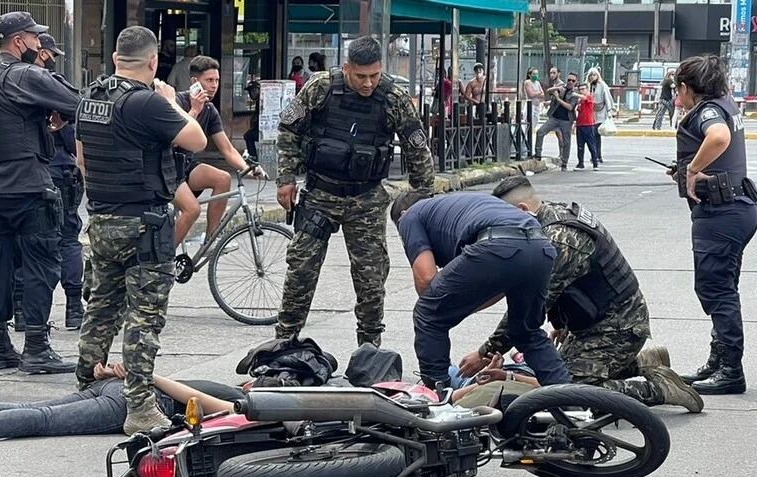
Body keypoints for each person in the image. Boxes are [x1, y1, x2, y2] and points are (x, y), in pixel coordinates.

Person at [458, 177, 703, 412]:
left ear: (522, 209)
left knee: (572, 395)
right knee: (554, 375)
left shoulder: (560, 240)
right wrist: (562, 321)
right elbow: (567, 286)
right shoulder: (550, 216)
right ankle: (642, 362)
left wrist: (485, 353)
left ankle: (659, 389)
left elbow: (528, 309)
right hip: (598, 322)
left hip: (618, 327)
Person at [75, 26, 207, 434]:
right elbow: (198, 140)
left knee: (101, 306)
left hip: (101, 220)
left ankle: (85, 382)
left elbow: (81, 160)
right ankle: (139, 407)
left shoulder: (91, 99)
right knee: (143, 318)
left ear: (116, 59)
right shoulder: (148, 102)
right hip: (144, 224)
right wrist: (172, 101)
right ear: (152, 63)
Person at [274, 36, 435, 347]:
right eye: (361, 76)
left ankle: (369, 347)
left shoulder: (393, 98)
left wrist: (422, 197)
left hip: (366, 198)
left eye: (374, 75)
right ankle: (283, 342)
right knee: (301, 270)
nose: (368, 83)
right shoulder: (321, 87)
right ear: (346, 68)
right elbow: (289, 128)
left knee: (371, 279)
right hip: (321, 192)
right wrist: (286, 178)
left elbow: (417, 148)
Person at [0, 12, 81, 374]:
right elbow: (74, 101)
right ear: (19, 41)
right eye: (34, 39)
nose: (37, 45)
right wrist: (58, 115)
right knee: (40, 264)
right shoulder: (25, 74)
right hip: (28, 185)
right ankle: (36, 346)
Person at [391, 191, 570, 389]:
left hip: (496, 244)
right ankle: (568, 402)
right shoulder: (456, 207)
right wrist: (459, 306)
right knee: (526, 332)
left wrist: (445, 312)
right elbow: (495, 289)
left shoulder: (410, 216)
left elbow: (426, 280)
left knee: (427, 313)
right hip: (541, 248)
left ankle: (439, 396)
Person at [669, 55, 757, 395]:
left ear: (686, 87)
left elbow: (719, 137)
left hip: (722, 214)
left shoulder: (708, 110)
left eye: (678, 89)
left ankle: (731, 370)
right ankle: (718, 361)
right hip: (737, 208)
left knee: (716, 290)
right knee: (723, 287)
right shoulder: (725, 102)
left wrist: (692, 170)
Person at [0, 362, 243, 442]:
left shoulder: (242, 398)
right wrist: (142, 375)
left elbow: (205, 402)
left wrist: (141, 373)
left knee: (36, 410)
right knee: (42, 417)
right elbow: (191, 397)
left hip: (124, 390)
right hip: (129, 397)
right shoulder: (239, 394)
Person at [172, 56, 266, 245]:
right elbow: (174, 139)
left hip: (187, 167)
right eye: (209, 80)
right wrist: (194, 111)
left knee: (223, 178)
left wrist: (248, 168)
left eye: (217, 80)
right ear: (194, 82)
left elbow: (227, 149)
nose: (214, 85)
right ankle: (164, 260)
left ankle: (211, 239)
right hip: (168, 169)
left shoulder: (210, 110)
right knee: (192, 210)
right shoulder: (176, 102)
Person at [25, 32, 84, 331]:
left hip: (26, 176)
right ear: (44, 54)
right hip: (59, 173)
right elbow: (75, 139)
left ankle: (23, 313)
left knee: (27, 243)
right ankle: (74, 306)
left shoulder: (8, 82)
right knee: (67, 238)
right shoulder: (54, 87)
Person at [535, 72, 578, 171]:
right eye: (569, 80)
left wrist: (558, 98)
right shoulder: (561, 87)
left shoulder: (574, 94)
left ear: (576, 82)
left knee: (566, 142)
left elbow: (570, 107)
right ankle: (538, 155)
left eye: (573, 81)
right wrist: (557, 88)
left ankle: (564, 163)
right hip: (554, 118)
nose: (570, 82)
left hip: (566, 120)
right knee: (540, 132)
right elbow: (548, 90)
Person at [587, 67, 614, 165]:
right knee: (592, 135)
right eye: (591, 75)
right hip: (591, 112)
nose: (592, 77)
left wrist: (609, 111)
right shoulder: (588, 86)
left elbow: (607, 98)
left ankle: (598, 155)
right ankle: (595, 155)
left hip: (601, 111)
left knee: (596, 134)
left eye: (594, 75)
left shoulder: (602, 85)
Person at [573, 83, 600, 170]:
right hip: (580, 125)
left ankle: (595, 163)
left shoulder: (589, 97)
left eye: (583, 89)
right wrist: (575, 124)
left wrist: (576, 94)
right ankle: (580, 163)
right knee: (580, 146)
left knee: (591, 145)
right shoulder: (580, 101)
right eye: (580, 89)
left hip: (588, 125)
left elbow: (585, 98)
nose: (581, 91)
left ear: (587, 89)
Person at [523, 67, 544, 136]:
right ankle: (524, 138)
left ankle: (528, 136)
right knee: (528, 123)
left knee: (535, 122)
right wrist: (538, 93)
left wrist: (536, 93)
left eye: (537, 74)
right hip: (530, 105)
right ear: (529, 75)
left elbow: (543, 94)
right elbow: (531, 95)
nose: (536, 75)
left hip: (537, 106)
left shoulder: (537, 83)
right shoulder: (527, 82)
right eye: (534, 74)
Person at [243, 79, 261, 159]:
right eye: (250, 92)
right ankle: (253, 156)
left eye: (254, 90)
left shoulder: (262, 100)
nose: (251, 94)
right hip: (258, 127)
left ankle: (253, 157)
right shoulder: (258, 101)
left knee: (248, 136)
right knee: (248, 135)